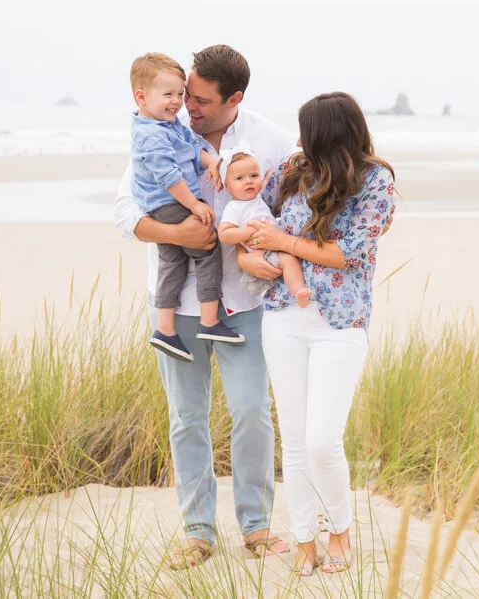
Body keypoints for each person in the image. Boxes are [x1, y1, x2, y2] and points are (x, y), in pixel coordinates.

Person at [113, 45, 294, 567]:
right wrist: (180, 234)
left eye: (200, 100)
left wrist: (261, 252)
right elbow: (125, 213)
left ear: (234, 99)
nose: (188, 106)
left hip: (244, 302)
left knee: (252, 411)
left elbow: (291, 211)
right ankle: (197, 532)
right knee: (186, 419)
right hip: (176, 305)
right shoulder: (160, 130)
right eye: (185, 95)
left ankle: (256, 526)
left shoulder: (269, 140)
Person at [242, 92, 396, 577]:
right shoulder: (292, 171)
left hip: (341, 322)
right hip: (282, 316)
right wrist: (252, 256)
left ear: (329, 135)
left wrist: (284, 243)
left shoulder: (376, 181)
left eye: (307, 131)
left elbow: (348, 254)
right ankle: (305, 540)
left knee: (323, 441)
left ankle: (340, 532)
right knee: (294, 441)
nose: (299, 139)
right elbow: (251, 221)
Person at [128, 52, 244, 362]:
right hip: (170, 204)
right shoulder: (151, 134)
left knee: (172, 261)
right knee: (207, 248)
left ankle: (165, 329)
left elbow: (192, 148)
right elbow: (169, 177)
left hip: (164, 206)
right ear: (141, 97)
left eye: (181, 94)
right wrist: (194, 205)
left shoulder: (166, 125)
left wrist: (212, 162)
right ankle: (210, 321)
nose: (178, 102)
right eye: (169, 94)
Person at [216, 142, 311, 307]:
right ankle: (299, 291)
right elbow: (224, 234)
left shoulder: (258, 198)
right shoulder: (234, 207)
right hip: (263, 252)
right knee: (288, 261)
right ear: (227, 187)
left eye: (254, 176)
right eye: (240, 178)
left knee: (291, 259)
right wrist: (248, 230)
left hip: (275, 242)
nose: (248, 182)